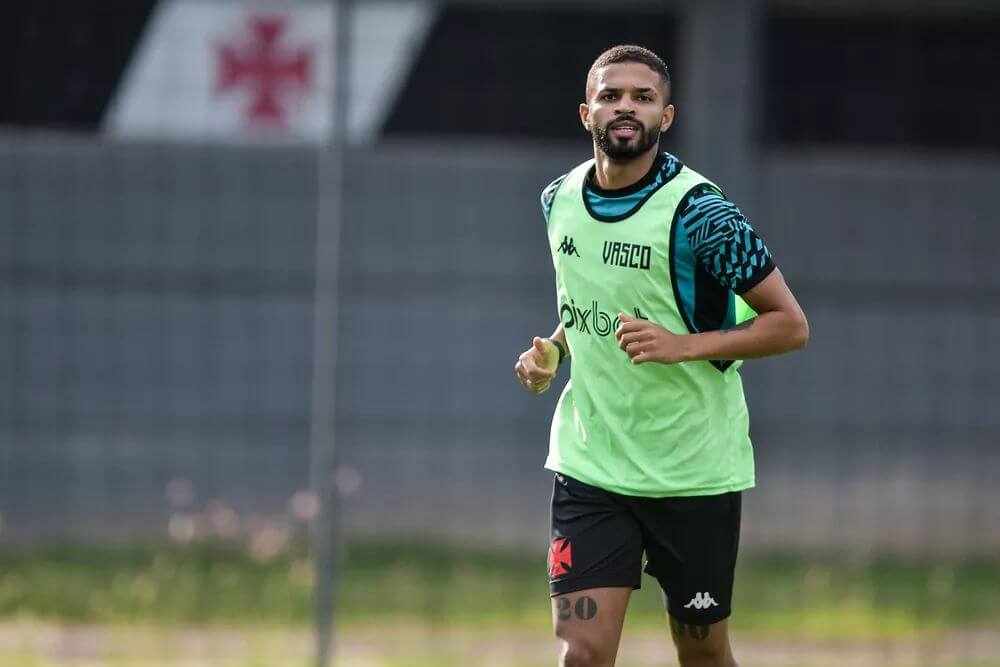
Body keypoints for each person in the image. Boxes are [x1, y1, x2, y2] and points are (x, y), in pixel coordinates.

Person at [513, 45, 809, 667]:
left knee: (702, 654)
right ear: (586, 112)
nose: (626, 107)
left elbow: (790, 325)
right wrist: (555, 350)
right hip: (591, 465)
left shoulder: (703, 214)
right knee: (582, 655)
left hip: (692, 470)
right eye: (611, 95)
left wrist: (682, 348)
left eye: (643, 97)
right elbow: (593, 299)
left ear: (666, 116)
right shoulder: (557, 199)